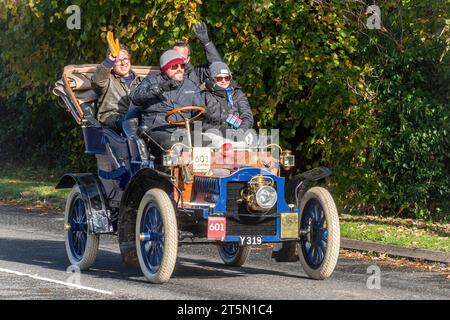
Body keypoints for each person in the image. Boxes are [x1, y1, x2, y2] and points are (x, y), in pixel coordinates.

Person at [128, 49, 204, 150]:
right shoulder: (152, 80)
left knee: (208, 144)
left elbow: (200, 112)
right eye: (174, 66)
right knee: (175, 146)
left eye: (182, 66)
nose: (179, 69)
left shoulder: (190, 85)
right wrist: (160, 88)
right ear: (165, 68)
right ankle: (172, 166)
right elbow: (135, 97)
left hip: (184, 129)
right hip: (157, 128)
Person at [91, 44, 142, 132]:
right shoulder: (107, 79)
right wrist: (110, 59)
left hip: (137, 118)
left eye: (125, 59)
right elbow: (97, 81)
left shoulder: (141, 81)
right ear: (112, 64)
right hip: (113, 119)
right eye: (118, 60)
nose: (123, 63)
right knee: (130, 123)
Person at [203, 61, 254, 135]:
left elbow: (247, 116)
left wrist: (241, 131)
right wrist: (222, 130)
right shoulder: (205, 95)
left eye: (227, 78)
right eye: (220, 78)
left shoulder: (237, 94)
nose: (224, 81)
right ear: (212, 79)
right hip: (214, 135)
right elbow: (200, 123)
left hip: (239, 132)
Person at [172, 21, 222, 85]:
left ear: (188, 59)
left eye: (182, 59)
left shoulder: (196, 73)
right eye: (175, 57)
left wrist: (206, 43)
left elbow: (217, 66)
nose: (178, 61)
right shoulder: (163, 75)